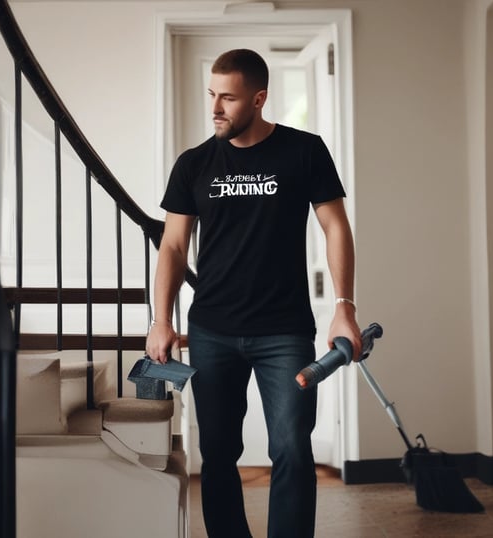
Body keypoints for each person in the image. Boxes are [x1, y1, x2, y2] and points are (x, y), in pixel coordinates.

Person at [145, 48, 363, 538]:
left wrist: (344, 307)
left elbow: (335, 227)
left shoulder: (304, 151)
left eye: (228, 98)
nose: (215, 108)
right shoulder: (194, 163)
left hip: (284, 331)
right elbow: (174, 245)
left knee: (291, 448)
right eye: (211, 95)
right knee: (218, 452)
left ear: (259, 99)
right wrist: (161, 320)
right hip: (212, 330)